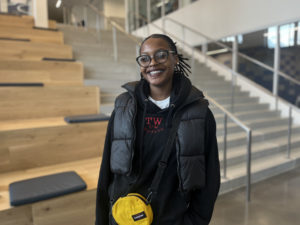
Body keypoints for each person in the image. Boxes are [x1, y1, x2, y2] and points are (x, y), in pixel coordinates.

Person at [95, 34, 220, 225]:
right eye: (145, 58)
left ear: (175, 58)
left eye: (161, 55)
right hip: (123, 218)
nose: (152, 63)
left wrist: (194, 222)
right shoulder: (123, 108)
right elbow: (107, 173)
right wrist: (102, 220)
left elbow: (210, 179)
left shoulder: (199, 113)